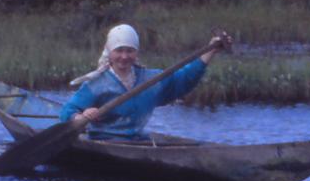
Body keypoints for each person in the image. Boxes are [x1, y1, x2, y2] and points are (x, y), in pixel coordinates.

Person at [58, 23, 231, 141]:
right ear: (110, 53)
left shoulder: (151, 79)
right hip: (104, 141)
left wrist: (211, 50)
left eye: (130, 51)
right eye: (119, 51)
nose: (124, 56)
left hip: (138, 141)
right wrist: (82, 116)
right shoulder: (96, 84)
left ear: (136, 53)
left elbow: (184, 79)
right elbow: (67, 111)